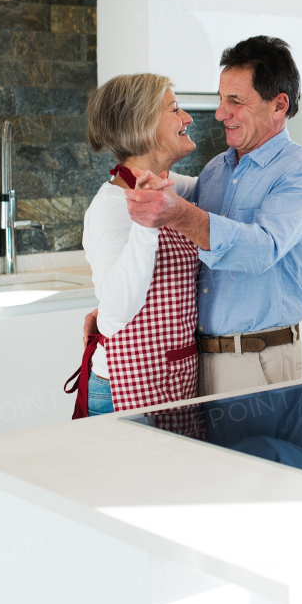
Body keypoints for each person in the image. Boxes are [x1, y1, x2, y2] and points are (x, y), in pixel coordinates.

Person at [121, 36, 302, 396]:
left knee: (253, 454)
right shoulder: (216, 170)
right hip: (196, 360)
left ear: (279, 105)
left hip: (257, 360)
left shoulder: (301, 173)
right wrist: (114, 315)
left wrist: (180, 214)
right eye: (221, 99)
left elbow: (261, 249)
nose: (220, 113)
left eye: (235, 101)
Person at [73, 73, 199, 416]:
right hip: (125, 390)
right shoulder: (111, 206)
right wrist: (147, 225)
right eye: (174, 109)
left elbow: (217, 189)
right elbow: (114, 314)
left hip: (166, 382)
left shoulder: (168, 188)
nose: (187, 118)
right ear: (142, 125)